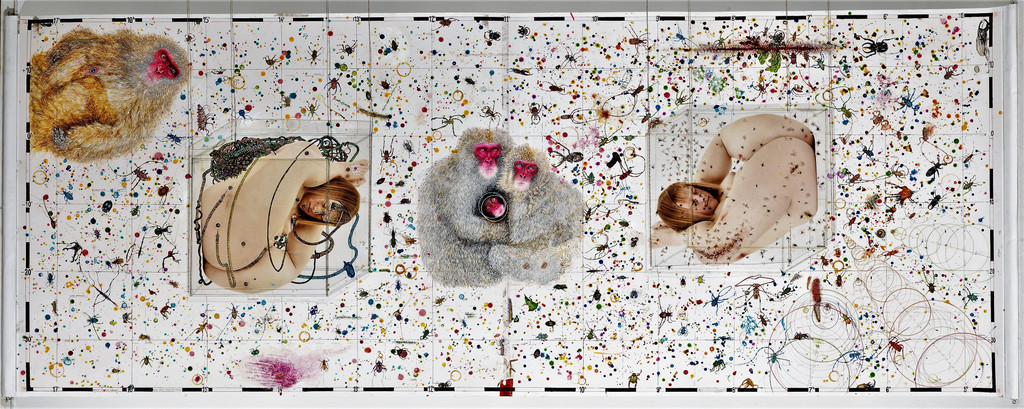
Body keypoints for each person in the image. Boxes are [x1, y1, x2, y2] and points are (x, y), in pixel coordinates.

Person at [195, 137, 367, 293]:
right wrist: (341, 171)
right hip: (216, 219)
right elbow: (303, 156)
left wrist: (212, 269)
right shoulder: (300, 167)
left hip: (223, 250)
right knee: (309, 153)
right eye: (324, 205)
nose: (315, 211)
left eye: (323, 216)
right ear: (330, 187)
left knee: (293, 266)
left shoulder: (298, 216)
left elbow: (294, 267)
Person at [651, 114, 818, 264]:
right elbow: (715, 249)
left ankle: (690, 195)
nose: (701, 198)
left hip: (796, 153)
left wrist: (700, 183)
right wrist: (675, 236)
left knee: (723, 140)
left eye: (695, 192)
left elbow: (720, 143)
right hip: (797, 189)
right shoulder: (709, 240)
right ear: (689, 221)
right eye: (694, 204)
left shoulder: (716, 190)